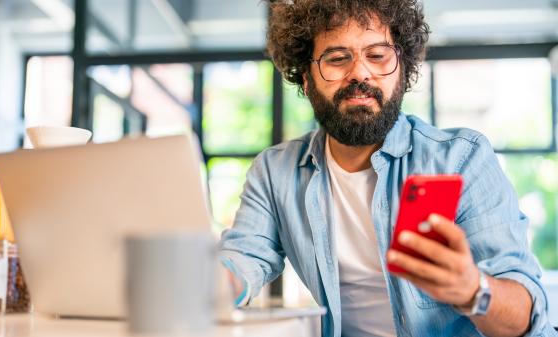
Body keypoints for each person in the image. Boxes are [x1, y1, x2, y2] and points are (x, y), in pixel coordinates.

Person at [218, 0, 557, 336]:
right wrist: (212, 283)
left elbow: (525, 318)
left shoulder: (460, 159)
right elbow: (243, 259)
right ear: (306, 79)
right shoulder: (276, 171)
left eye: (378, 56)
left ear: (403, 69)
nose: (360, 73)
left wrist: (472, 290)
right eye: (337, 59)